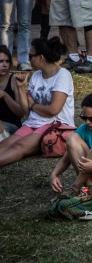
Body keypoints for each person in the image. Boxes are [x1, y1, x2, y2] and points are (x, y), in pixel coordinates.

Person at [0, 37, 74, 168]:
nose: (28, 59)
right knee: (5, 144)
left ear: (41, 57)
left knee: (19, 146)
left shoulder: (63, 75)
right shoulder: (36, 75)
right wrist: (20, 88)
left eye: (31, 56)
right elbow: (26, 112)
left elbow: (53, 110)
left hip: (54, 125)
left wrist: (33, 105)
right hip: (33, 122)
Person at [0, 45, 24, 140]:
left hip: (13, 126)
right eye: (1, 61)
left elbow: (21, 113)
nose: (5, 65)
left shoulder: (14, 79)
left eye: (7, 61)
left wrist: (5, 95)